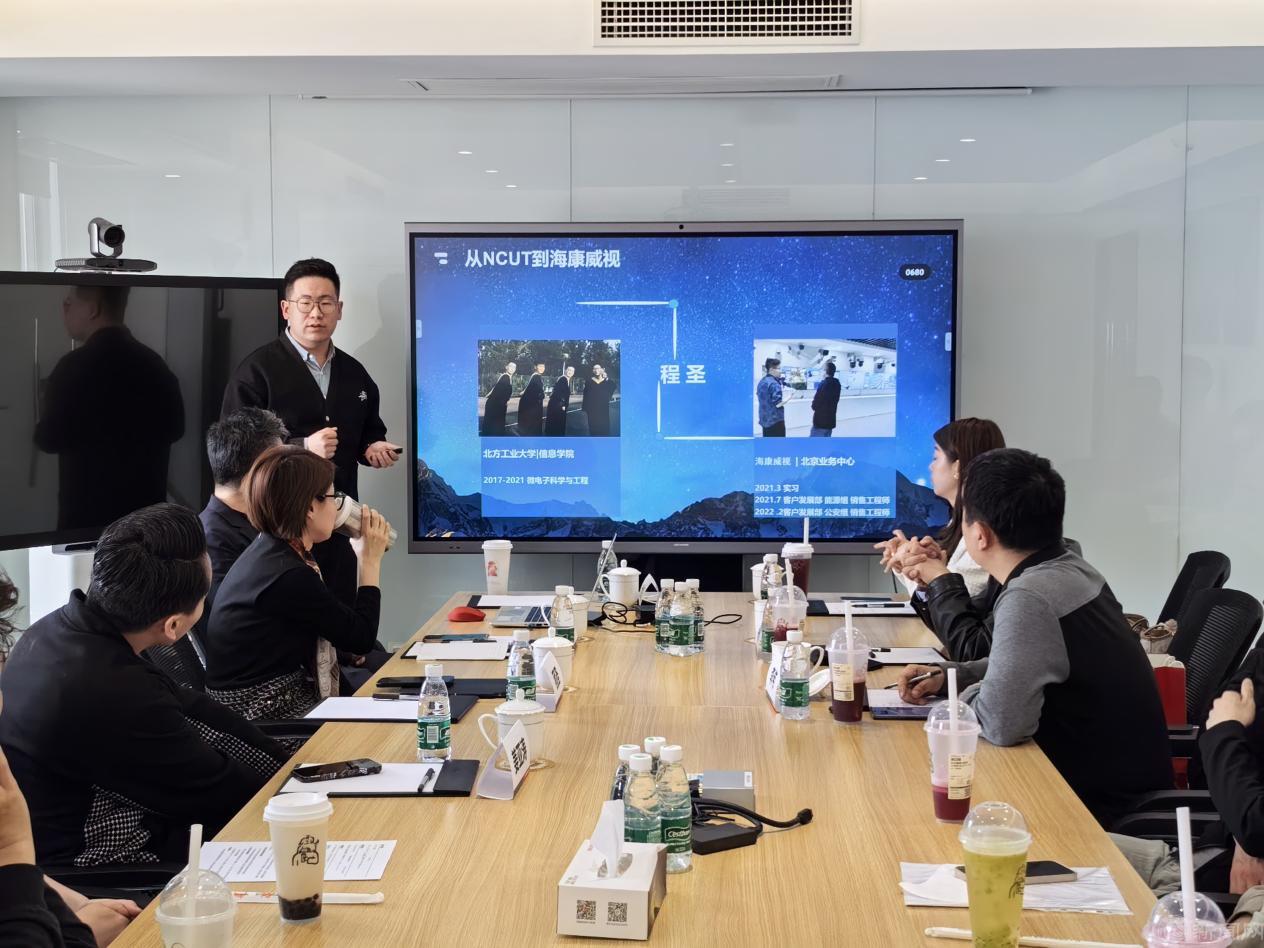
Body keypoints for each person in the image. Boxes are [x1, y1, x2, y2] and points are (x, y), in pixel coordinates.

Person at [0, 505, 289, 869]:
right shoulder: (118, 695)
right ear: (173, 626)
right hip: (97, 861)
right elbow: (225, 796)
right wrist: (290, 787)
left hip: (59, 832)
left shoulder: (54, 628)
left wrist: (287, 768)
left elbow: (192, 708)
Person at [898, 448, 1171, 827]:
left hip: (1093, 813)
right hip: (1113, 786)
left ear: (980, 535)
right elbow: (1033, 662)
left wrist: (965, 697)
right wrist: (950, 676)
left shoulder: (1030, 596)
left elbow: (1001, 723)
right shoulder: (1071, 567)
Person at [220, 258, 399, 606]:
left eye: (325, 303)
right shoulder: (256, 372)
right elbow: (234, 452)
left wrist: (373, 448)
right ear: (286, 309)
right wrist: (301, 447)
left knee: (343, 620)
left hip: (338, 523)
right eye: (305, 303)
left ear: (339, 310)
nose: (316, 313)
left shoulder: (355, 373)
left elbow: (368, 431)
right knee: (293, 620)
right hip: (279, 533)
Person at [205, 445, 390, 720]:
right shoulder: (288, 574)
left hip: (263, 701)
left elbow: (338, 626)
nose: (338, 506)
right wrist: (369, 561)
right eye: (333, 497)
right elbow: (361, 637)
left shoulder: (273, 551)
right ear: (310, 508)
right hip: (260, 714)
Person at [34, 285, 184, 531]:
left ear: (93, 309)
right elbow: (177, 429)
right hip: (146, 525)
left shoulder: (72, 367)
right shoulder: (154, 364)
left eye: (69, 303)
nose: (64, 309)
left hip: (86, 527)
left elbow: (48, 439)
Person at [874, 418, 1007, 661]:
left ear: (958, 466)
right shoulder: (959, 523)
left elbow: (955, 616)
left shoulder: (984, 535)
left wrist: (929, 572)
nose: (931, 466)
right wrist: (916, 566)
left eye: (936, 457)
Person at [200, 408, 290, 612]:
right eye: (278, 465)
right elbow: (237, 617)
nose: (284, 474)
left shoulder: (262, 519)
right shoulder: (212, 540)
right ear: (256, 471)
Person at [481, 361, 515, 437]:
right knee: (495, 429)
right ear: (506, 367)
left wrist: (488, 395)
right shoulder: (506, 377)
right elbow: (502, 394)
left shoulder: (505, 376)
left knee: (490, 427)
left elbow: (495, 388)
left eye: (514, 367)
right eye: (511, 366)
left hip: (494, 405)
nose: (513, 368)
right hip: (496, 406)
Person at [809, 361, 841, 437]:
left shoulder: (823, 384)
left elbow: (815, 404)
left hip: (820, 422)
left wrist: (813, 405)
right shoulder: (837, 384)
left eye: (822, 369)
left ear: (825, 371)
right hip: (830, 421)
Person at [582, 364, 614, 437]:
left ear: (602, 369)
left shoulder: (606, 381)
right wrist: (585, 407)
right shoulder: (589, 381)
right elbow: (585, 394)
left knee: (604, 426)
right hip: (592, 408)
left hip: (603, 407)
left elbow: (613, 386)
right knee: (593, 426)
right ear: (592, 371)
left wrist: (607, 378)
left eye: (598, 368)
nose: (596, 370)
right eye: (594, 369)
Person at [757, 358, 786, 437]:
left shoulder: (762, 382)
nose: (780, 371)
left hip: (765, 420)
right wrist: (790, 397)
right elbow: (778, 404)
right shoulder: (774, 383)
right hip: (776, 422)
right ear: (771, 370)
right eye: (779, 368)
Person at [517, 362, 546, 436]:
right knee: (532, 427)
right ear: (535, 367)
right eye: (540, 366)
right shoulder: (536, 377)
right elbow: (538, 392)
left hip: (530, 405)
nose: (542, 368)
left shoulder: (535, 376)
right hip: (533, 406)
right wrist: (543, 395)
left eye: (543, 366)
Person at [546, 366, 574, 436]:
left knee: (555, 424)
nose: (570, 372)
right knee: (558, 425)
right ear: (565, 371)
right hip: (558, 406)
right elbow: (559, 393)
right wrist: (563, 404)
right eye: (569, 370)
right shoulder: (563, 379)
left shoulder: (565, 379)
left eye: (572, 371)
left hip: (556, 405)